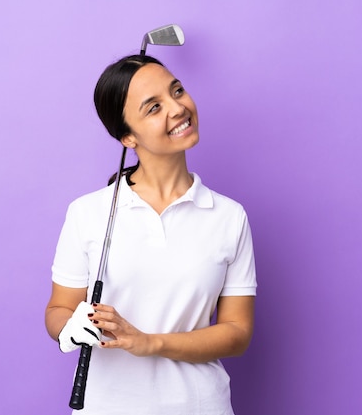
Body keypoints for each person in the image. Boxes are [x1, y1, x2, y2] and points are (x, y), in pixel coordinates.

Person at [45, 54, 257, 415]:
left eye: (177, 91)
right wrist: (70, 325)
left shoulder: (229, 216)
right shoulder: (87, 213)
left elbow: (237, 332)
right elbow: (58, 309)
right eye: (154, 107)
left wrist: (148, 342)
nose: (178, 108)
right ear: (128, 136)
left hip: (199, 406)